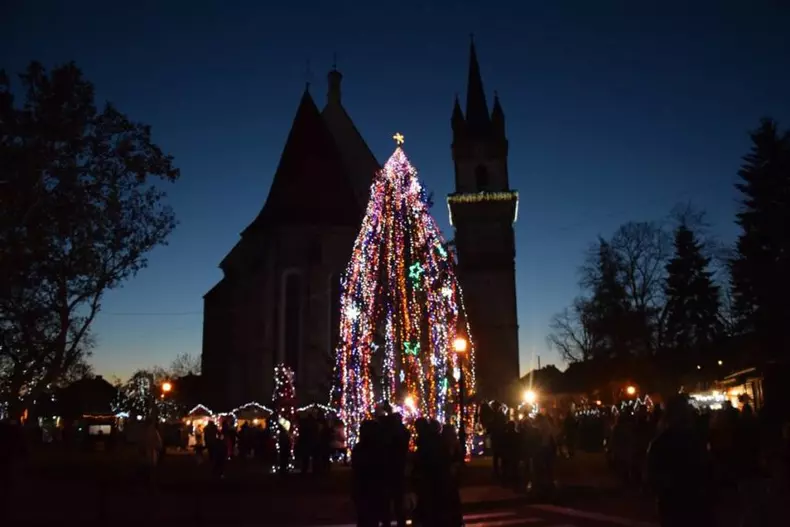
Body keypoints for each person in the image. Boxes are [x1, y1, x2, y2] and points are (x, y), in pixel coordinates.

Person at [647, 395, 714, 527]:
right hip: (692, 499)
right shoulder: (695, 439)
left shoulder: (661, 441)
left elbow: (652, 476)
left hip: (674, 501)